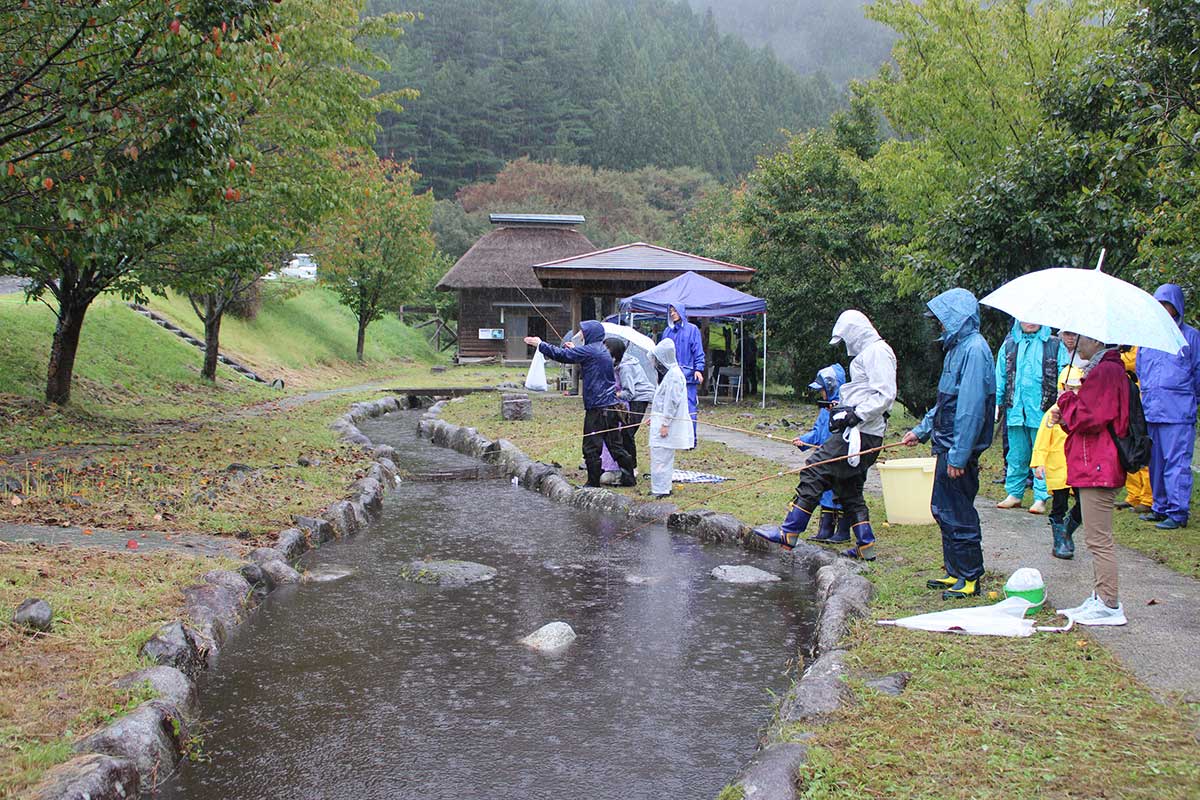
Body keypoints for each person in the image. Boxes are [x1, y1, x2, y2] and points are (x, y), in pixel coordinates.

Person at [755, 311, 896, 561]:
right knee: (848, 487)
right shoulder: (868, 353)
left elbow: (885, 395)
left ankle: (789, 532)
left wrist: (856, 414)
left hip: (861, 433)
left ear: (856, 332)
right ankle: (866, 545)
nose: (846, 346)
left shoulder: (878, 352)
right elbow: (863, 391)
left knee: (814, 468)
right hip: (859, 431)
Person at [902, 288, 995, 600]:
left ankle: (970, 577)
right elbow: (944, 403)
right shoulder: (957, 348)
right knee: (942, 509)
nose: (939, 326)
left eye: (943, 320)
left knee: (958, 511)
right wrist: (921, 430)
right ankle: (953, 571)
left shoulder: (975, 350)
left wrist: (958, 455)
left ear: (959, 317)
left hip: (958, 451)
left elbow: (970, 408)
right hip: (944, 444)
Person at [1052, 335, 1130, 625]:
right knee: (1095, 537)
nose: (1075, 344)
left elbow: (1091, 418)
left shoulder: (1106, 371)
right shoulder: (1102, 369)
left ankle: (1110, 603)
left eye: (1080, 337)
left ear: (1096, 340)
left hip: (1099, 464)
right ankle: (1100, 596)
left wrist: (1067, 399)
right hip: (1094, 462)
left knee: (1099, 539)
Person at [525, 321, 636, 488]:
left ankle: (593, 483)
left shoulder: (592, 350)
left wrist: (540, 344)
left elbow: (561, 355)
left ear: (591, 334)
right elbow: (580, 357)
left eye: (583, 332)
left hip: (598, 407)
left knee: (591, 446)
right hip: (610, 406)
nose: (581, 335)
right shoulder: (599, 350)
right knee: (615, 445)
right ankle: (629, 477)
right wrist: (573, 350)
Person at [1136, 284, 1200, 530]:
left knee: (1177, 461)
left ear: (1177, 306)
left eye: (1168, 304)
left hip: (1178, 410)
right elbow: (1142, 369)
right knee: (1155, 462)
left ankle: (1178, 511)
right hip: (1152, 408)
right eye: (1159, 304)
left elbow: (1197, 371)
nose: (1164, 309)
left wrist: (1188, 398)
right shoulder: (1148, 337)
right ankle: (1159, 506)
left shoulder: (1191, 336)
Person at [995, 320, 1069, 514]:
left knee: (1042, 455)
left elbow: (1063, 376)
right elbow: (1001, 375)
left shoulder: (1054, 345)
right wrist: (997, 401)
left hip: (1044, 411)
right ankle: (1014, 493)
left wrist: (1062, 405)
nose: (1029, 322)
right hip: (1015, 409)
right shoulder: (1010, 344)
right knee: (1016, 454)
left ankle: (1041, 496)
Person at [1030, 363, 1085, 559]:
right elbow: (1042, 440)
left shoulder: (1083, 413)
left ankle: (1068, 530)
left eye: (1079, 388)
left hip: (1078, 468)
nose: (1075, 392)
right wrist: (1039, 462)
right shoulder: (1053, 412)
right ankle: (1059, 539)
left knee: (1084, 503)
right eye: (1071, 388)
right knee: (1059, 504)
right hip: (1058, 468)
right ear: (1063, 387)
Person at [794, 364, 851, 544]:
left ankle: (843, 530)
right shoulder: (823, 410)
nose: (821, 394)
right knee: (824, 491)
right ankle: (825, 528)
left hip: (841, 457)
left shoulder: (846, 406)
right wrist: (803, 440)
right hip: (824, 457)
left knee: (841, 492)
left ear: (832, 386)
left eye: (823, 390)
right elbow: (818, 432)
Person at [647, 338, 694, 497]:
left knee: (662, 457)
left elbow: (671, 402)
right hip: (660, 420)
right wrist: (654, 417)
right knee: (659, 455)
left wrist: (665, 423)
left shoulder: (674, 375)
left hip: (666, 424)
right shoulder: (669, 375)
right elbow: (661, 401)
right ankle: (660, 487)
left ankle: (661, 490)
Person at [607, 337, 655, 473]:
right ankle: (622, 465)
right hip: (633, 397)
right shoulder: (617, 362)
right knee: (621, 432)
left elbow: (629, 393)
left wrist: (615, 395)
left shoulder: (625, 367)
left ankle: (632, 467)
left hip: (640, 397)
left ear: (614, 352)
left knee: (628, 432)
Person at [661, 303, 705, 445]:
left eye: (675, 311)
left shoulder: (692, 330)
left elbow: (698, 350)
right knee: (669, 406)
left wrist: (698, 369)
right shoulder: (667, 331)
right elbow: (662, 354)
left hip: (688, 376)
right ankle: (674, 438)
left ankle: (690, 439)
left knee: (689, 408)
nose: (673, 313)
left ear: (681, 312)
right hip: (671, 376)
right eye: (671, 311)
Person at [1116, 346, 1153, 513]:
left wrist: (1120, 360)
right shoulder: (1122, 345)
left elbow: (1135, 364)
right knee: (1129, 446)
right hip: (1127, 400)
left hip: (1142, 402)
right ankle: (1133, 495)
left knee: (1142, 446)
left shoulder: (1142, 346)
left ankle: (1148, 497)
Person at [740, 326, 760, 397]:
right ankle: (754, 390)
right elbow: (755, 350)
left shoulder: (741, 341)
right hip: (752, 360)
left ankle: (746, 390)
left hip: (745, 360)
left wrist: (737, 358)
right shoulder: (752, 340)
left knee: (745, 376)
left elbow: (738, 351)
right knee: (753, 376)